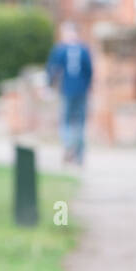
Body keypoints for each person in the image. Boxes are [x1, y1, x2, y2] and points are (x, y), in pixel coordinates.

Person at [46, 21, 93, 165]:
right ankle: (78, 155)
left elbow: (52, 70)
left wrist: (49, 86)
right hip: (81, 91)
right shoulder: (84, 50)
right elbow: (89, 72)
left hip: (67, 90)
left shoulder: (60, 50)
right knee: (79, 123)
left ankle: (68, 146)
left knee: (66, 122)